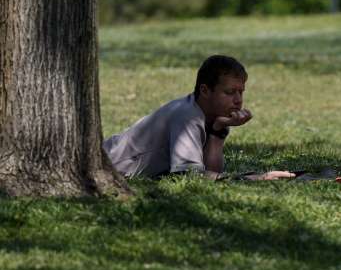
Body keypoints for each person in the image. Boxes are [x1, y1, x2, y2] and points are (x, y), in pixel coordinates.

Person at [103, 55, 294, 180]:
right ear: (205, 90)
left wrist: (218, 131)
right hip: (108, 166)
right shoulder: (188, 117)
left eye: (240, 92)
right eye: (229, 92)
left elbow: (212, 171)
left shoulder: (206, 115)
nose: (238, 100)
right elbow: (189, 175)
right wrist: (257, 178)